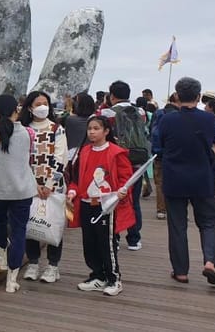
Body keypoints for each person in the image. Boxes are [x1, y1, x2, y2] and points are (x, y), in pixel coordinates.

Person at [157, 77, 215, 285]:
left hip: (174, 178)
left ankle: (181, 271)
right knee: (208, 223)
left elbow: (159, 145)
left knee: (177, 226)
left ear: (176, 96)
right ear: (199, 96)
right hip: (202, 178)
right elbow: (212, 141)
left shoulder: (167, 119)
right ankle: (210, 261)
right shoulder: (209, 119)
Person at [66, 115, 136, 296]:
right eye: (90, 128)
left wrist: (123, 190)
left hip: (107, 205)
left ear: (106, 131)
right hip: (86, 203)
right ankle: (97, 276)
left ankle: (114, 278)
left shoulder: (116, 152)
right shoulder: (84, 152)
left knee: (107, 242)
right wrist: (73, 191)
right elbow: (76, 179)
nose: (92, 132)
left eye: (96, 128)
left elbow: (126, 178)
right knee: (89, 242)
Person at [0, 94, 37, 294]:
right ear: (16, 109)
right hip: (21, 190)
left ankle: (1, 259)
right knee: (18, 231)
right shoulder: (27, 133)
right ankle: (11, 280)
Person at [19, 91, 68, 283]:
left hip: (53, 186)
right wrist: (33, 184)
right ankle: (33, 262)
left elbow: (60, 158)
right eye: (38, 103)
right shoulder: (24, 129)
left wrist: (49, 184)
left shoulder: (57, 129)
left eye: (45, 103)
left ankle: (52, 266)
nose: (42, 107)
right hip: (30, 186)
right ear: (30, 107)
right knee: (31, 223)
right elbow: (22, 159)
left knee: (53, 222)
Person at [98, 80, 149, 251]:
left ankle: (115, 237)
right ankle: (134, 239)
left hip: (117, 161)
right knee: (133, 201)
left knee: (114, 198)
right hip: (138, 160)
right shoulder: (141, 111)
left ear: (112, 95)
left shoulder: (107, 112)